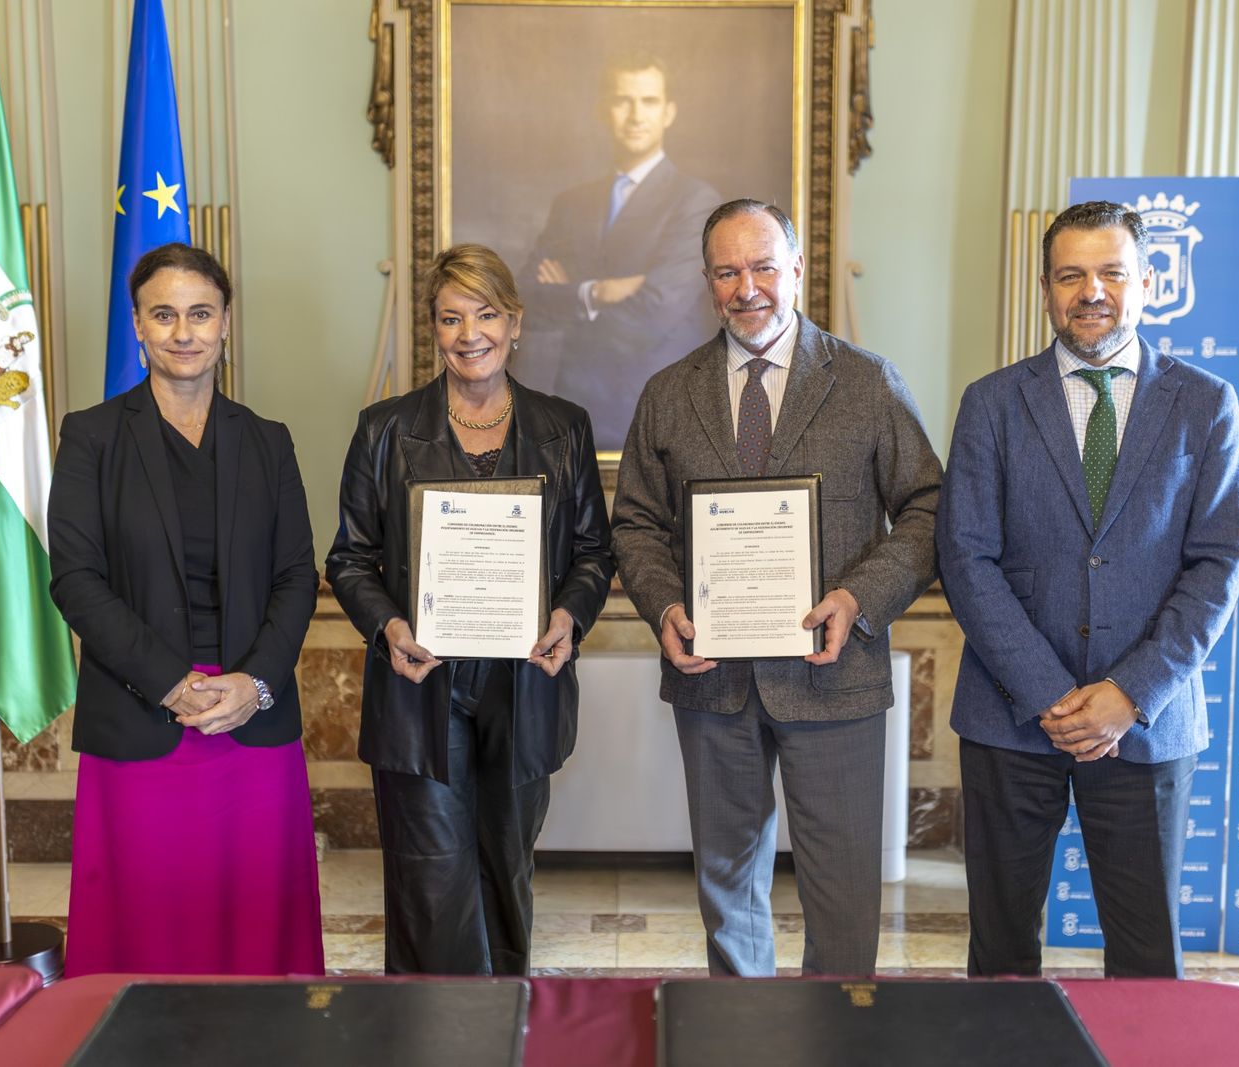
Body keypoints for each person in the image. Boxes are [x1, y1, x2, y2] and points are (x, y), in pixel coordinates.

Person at [612, 200, 942, 977]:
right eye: (727, 271)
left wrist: (859, 598)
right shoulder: (668, 392)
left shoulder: (867, 381)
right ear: (708, 281)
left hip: (835, 674)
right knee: (727, 892)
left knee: (843, 891)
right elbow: (635, 524)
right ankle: (740, 1030)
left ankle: (840, 1032)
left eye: (763, 266)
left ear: (796, 269)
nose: (747, 287)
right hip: (713, 679)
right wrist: (665, 606)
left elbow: (928, 509)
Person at [937, 201, 1239, 978]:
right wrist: (1051, 694)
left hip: (1147, 723)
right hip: (1012, 719)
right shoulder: (992, 403)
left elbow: (1217, 563)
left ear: (1148, 282)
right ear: (1045, 288)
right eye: (1071, 275)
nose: (1092, 292)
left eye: (1112, 272)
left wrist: (1129, 693)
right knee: (1001, 956)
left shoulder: (1206, 403)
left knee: (1147, 958)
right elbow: (965, 557)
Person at [326, 243, 614, 975]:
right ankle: (439, 1024)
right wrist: (390, 626)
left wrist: (568, 617)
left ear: (515, 322)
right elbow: (350, 558)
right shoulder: (384, 430)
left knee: (505, 869)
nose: (469, 333)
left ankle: (503, 1011)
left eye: (485, 314)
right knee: (430, 875)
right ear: (433, 328)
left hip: (524, 684)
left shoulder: (564, 428)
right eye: (451, 318)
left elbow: (593, 552)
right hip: (421, 684)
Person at [48, 243, 323, 977]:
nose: (183, 332)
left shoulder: (268, 442)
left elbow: (297, 576)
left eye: (200, 313)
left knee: (257, 922)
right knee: (147, 925)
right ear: (137, 325)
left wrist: (256, 682)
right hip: (142, 715)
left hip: (250, 718)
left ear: (225, 322)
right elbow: (76, 579)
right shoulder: (91, 437)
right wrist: (170, 682)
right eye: (163, 314)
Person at [518, 50, 721, 449]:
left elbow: (656, 312)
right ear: (602, 109)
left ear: (669, 112)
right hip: (574, 410)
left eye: (649, 101)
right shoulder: (571, 204)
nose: (636, 115)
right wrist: (597, 291)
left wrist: (570, 295)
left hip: (655, 410)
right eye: (623, 100)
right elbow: (526, 297)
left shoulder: (696, 202)